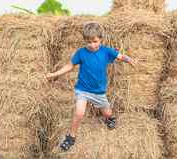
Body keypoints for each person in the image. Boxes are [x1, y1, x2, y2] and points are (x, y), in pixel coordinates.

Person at [46, 21, 137, 151]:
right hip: (82, 90)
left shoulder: (106, 51)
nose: (92, 45)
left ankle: (110, 118)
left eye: (95, 41)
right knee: (79, 113)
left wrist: (130, 60)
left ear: (100, 39)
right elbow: (70, 66)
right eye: (88, 42)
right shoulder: (81, 53)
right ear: (84, 41)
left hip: (99, 92)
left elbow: (120, 56)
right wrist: (54, 74)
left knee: (107, 112)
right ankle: (71, 137)